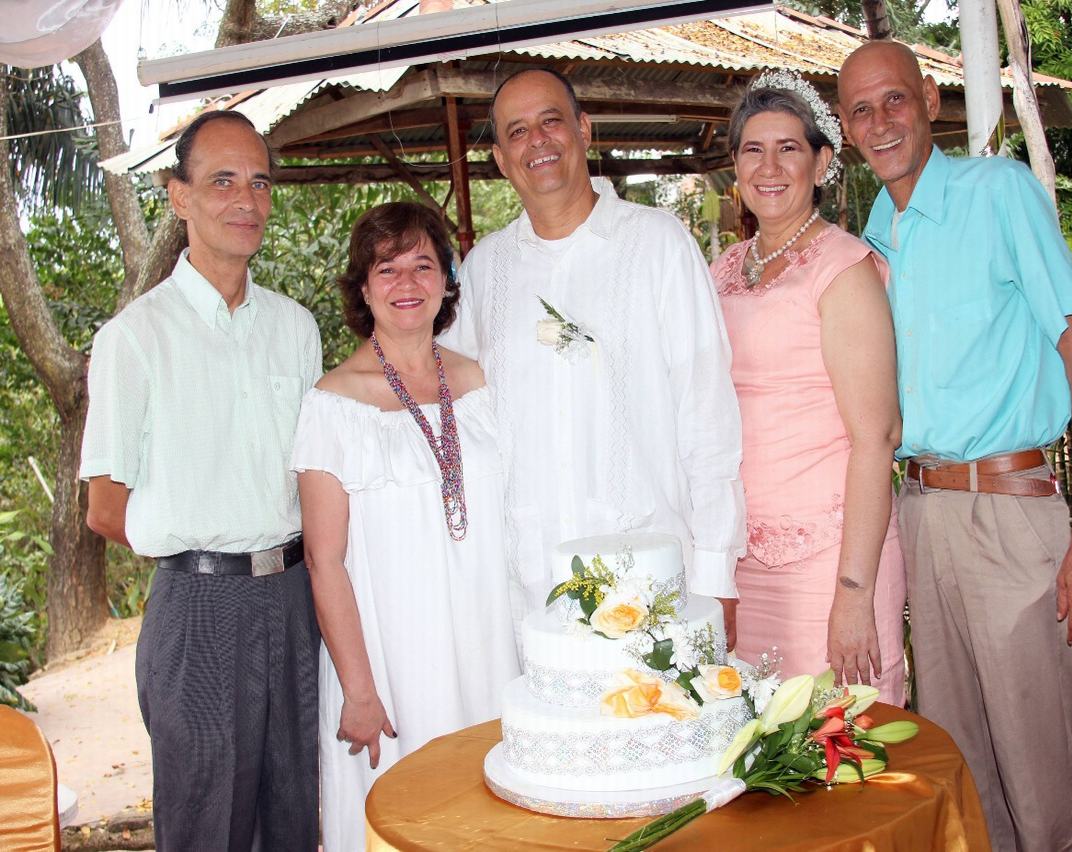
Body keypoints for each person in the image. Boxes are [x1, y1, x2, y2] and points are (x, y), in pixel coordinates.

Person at [837, 41, 1072, 852]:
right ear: (846, 131)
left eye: (893, 100)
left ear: (927, 98)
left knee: (1039, 779)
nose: (879, 122)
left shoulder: (997, 192)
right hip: (920, 519)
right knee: (960, 772)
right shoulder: (872, 240)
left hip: (1009, 512)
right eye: (859, 110)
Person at [80, 111, 323, 850]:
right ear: (178, 196)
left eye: (259, 182)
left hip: (294, 598)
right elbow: (104, 509)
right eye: (221, 180)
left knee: (293, 813)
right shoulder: (134, 339)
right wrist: (201, 553)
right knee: (205, 827)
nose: (245, 199)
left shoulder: (295, 328)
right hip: (197, 608)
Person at [441, 67, 745, 646]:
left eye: (552, 121)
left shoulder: (658, 244)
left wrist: (716, 572)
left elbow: (707, 414)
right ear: (502, 160)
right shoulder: (485, 269)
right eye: (518, 131)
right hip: (531, 589)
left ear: (584, 130)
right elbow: (463, 422)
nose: (539, 141)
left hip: (652, 578)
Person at [292, 202, 519, 852]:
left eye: (422, 264)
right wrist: (360, 692)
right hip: (392, 658)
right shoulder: (333, 403)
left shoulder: (478, 382)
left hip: (483, 643)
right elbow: (323, 560)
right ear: (361, 289)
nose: (406, 283)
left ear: (447, 280)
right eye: (385, 269)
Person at [713, 71, 905, 704]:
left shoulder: (842, 267)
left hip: (830, 561)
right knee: (752, 763)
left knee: (842, 753)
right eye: (752, 150)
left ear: (821, 162)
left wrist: (852, 595)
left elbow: (877, 437)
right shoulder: (720, 271)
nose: (769, 167)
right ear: (735, 166)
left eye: (789, 148)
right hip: (741, 564)